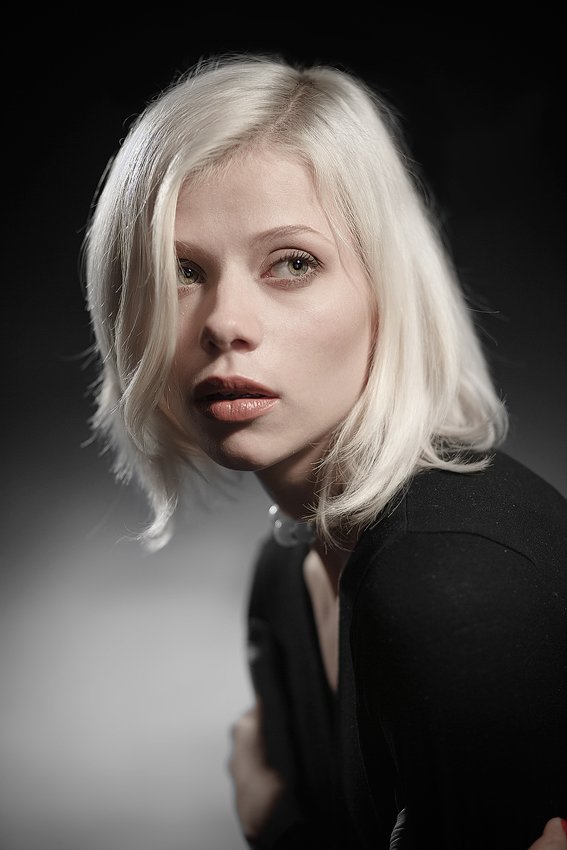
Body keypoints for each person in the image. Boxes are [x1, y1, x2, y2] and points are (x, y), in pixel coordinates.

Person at [80, 53, 567, 850]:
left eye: (292, 263)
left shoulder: (449, 579)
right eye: (180, 272)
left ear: (387, 290)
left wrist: (270, 821)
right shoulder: (287, 571)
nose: (223, 322)